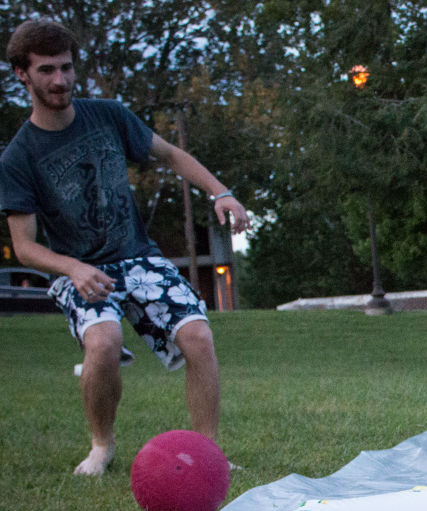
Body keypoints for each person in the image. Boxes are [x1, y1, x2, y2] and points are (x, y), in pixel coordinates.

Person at [0, 20, 250, 476]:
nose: (60, 80)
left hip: (138, 257)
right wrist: (73, 270)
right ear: (22, 74)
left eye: (67, 68)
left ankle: (208, 454)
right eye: (47, 70)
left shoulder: (108, 115)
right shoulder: (18, 158)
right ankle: (102, 445)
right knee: (104, 343)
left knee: (198, 334)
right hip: (80, 267)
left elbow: (171, 154)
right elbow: (24, 248)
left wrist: (221, 193)